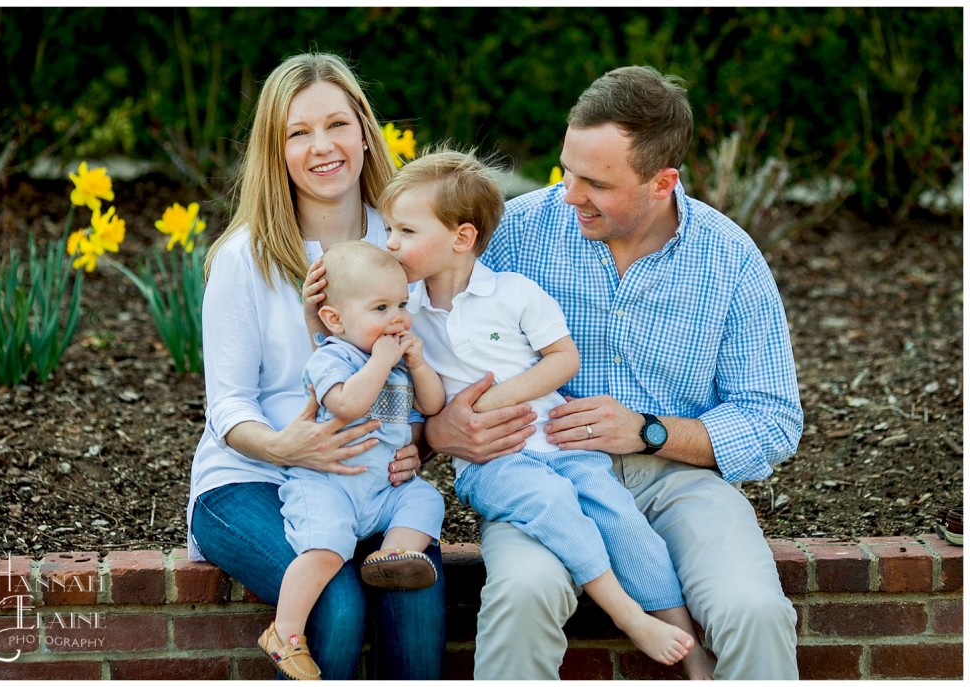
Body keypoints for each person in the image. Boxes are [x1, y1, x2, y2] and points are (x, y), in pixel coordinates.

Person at [423, 66, 804, 680]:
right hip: (544, 475)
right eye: (567, 169)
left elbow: (773, 419)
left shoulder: (728, 257)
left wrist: (648, 431)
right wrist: (440, 431)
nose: (570, 192)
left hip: (678, 483)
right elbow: (425, 329)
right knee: (521, 596)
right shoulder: (516, 232)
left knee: (755, 611)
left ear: (662, 182)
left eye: (595, 182)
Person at [378, 148, 715, 679]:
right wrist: (416, 366)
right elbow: (421, 403)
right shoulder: (405, 313)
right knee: (555, 505)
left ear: (461, 239)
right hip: (495, 465)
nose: (390, 244)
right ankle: (630, 618)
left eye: (405, 231)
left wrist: (492, 399)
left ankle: (692, 654)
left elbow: (564, 360)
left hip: (561, 444)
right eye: (389, 229)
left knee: (622, 520)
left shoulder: (512, 293)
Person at [186, 52, 445, 680]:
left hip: (370, 482)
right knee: (337, 601)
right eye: (298, 133)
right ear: (275, 151)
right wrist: (283, 446)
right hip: (246, 479)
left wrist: (414, 443)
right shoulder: (245, 257)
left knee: (411, 590)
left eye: (336, 125)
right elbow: (227, 405)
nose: (321, 146)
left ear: (364, 129)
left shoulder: (405, 241)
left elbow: (423, 374)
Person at [260, 240, 447, 679]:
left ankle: (394, 555)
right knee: (326, 550)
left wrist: (418, 366)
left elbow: (434, 405)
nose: (397, 316)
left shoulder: (399, 366)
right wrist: (383, 361)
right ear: (335, 319)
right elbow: (348, 405)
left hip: (384, 490)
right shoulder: (332, 357)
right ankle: (284, 633)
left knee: (426, 501)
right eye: (380, 307)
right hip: (328, 486)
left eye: (402, 303)